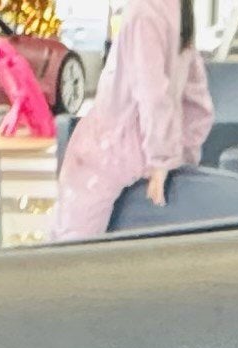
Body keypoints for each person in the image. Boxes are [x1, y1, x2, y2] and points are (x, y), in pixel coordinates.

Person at [47, 0, 209, 238]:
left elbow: (152, 92)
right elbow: (197, 101)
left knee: (72, 246)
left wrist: (161, 158)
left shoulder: (143, 11)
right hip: (144, 150)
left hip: (110, 154)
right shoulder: (180, 10)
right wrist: (183, 155)